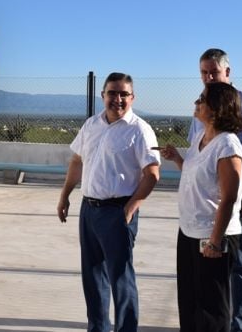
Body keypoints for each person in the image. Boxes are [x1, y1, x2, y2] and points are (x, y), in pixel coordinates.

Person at [56, 72, 161, 332]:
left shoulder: (140, 130)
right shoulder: (91, 125)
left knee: (121, 280)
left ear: (132, 97)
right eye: (112, 93)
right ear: (102, 95)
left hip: (118, 212)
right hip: (89, 210)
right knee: (92, 278)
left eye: (124, 94)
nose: (118, 99)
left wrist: (132, 206)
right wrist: (65, 195)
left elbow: (152, 174)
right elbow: (77, 161)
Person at [187, 48, 242, 332]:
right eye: (204, 72)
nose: (209, 77)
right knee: (208, 264)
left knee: (239, 262)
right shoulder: (201, 108)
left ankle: (240, 325)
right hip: (205, 198)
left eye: (214, 72)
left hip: (239, 194)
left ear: (228, 72)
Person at [159, 82, 242, 332]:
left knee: (211, 308)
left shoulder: (228, 145)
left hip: (212, 237)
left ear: (218, 108)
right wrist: (177, 159)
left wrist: (215, 241)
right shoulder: (200, 137)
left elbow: (229, 197)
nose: (196, 103)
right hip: (189, 232)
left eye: (202, 99)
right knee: (190, 301)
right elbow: (197, 177)